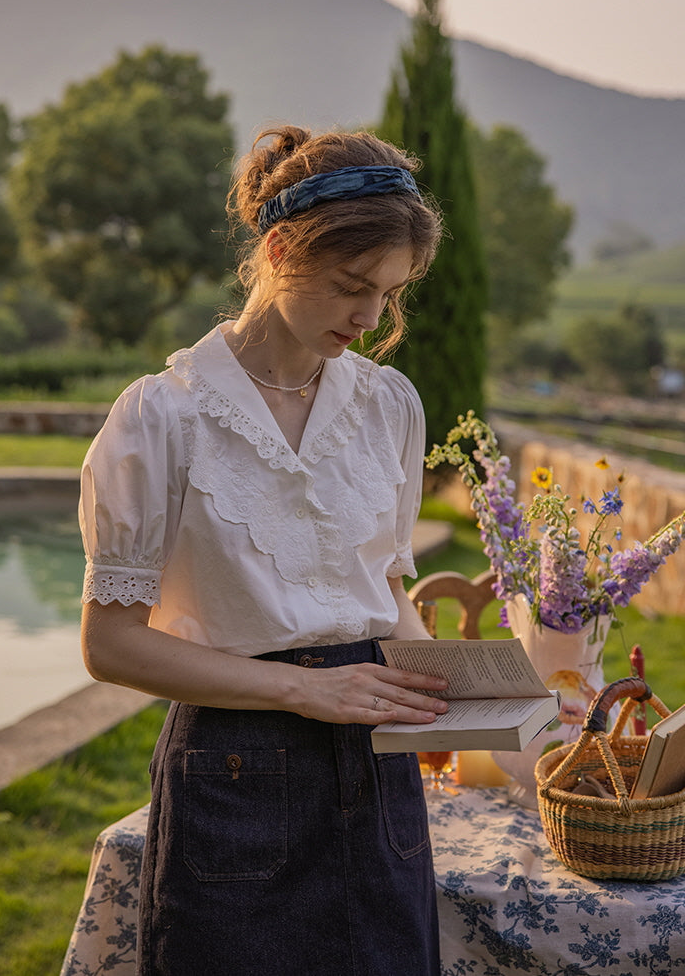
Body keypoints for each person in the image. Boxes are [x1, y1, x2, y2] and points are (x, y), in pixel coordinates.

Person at [79, 124, 447, 976]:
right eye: (352, 285)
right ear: (280, 249)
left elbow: (384, 593)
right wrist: (306, 690)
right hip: (234, 774)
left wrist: (462, 700)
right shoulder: (160, 418)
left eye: (389, 294)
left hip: (376, 771)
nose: (370, 317)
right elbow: (110, 643)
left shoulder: (389, 406)